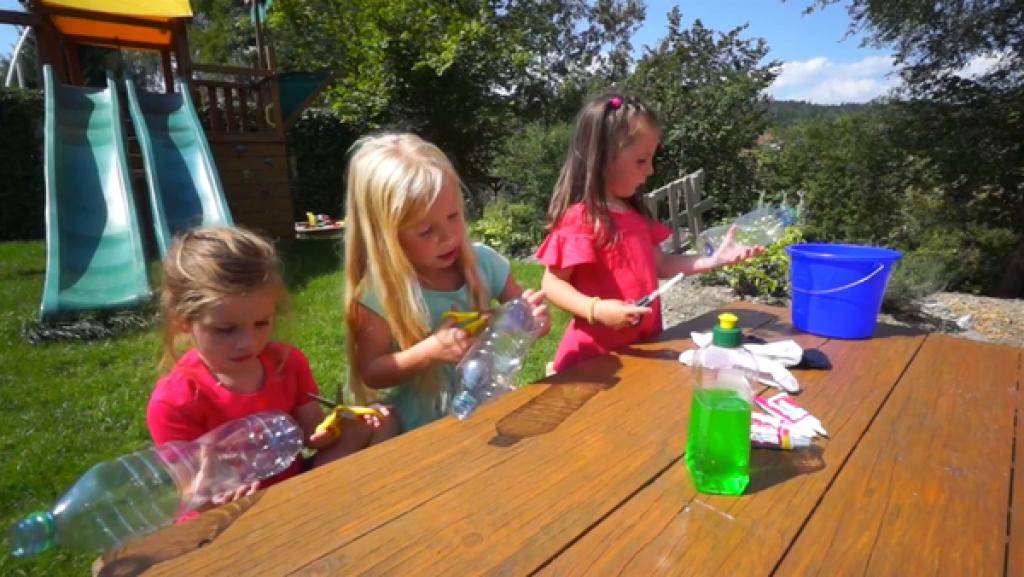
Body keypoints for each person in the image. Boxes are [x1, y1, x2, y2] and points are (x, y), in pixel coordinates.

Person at [147, 226, 396, 506]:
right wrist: (208, 493)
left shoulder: (286, 363)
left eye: (262, 323)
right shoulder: (174, 401)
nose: (248, 343)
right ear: (182, 320)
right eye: (226, 329)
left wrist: (330, 429)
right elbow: (191, 496)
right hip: (233, 513)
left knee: (381, 417)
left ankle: (377, 499)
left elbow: (311, 434)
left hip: (294, 486)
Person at [537, 92, 764, 372]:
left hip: (643, 349)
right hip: (595, 360)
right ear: (603, 158)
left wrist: (712, 260)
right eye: (641, 161)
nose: (650, 170)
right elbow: (552, 284)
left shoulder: (636, 215)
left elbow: (662, 264)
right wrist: (597, 310)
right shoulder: (581, 218)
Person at [343, 133, 551, 432]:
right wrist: (427, 352)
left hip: (488, 409)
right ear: (386, 237)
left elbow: (523, 316)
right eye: (426, 231)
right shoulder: (382, 293)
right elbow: (372, 373)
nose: (448, 236)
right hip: (423, 427)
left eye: (454, 216)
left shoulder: (484, 263)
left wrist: (532, 322)